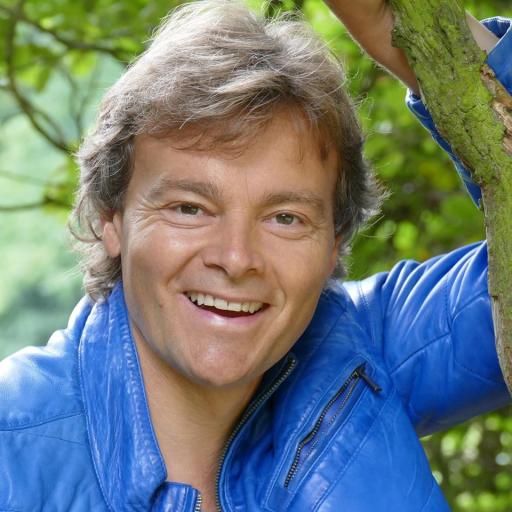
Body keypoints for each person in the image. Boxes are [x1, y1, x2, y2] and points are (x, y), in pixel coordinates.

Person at [0, 0, 510, 510]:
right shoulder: (12, 448)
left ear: (334, 241)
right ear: (111, 219)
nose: (236, 257)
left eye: (285, 218)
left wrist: (423, 42)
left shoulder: (363, 352)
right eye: (189, 208)